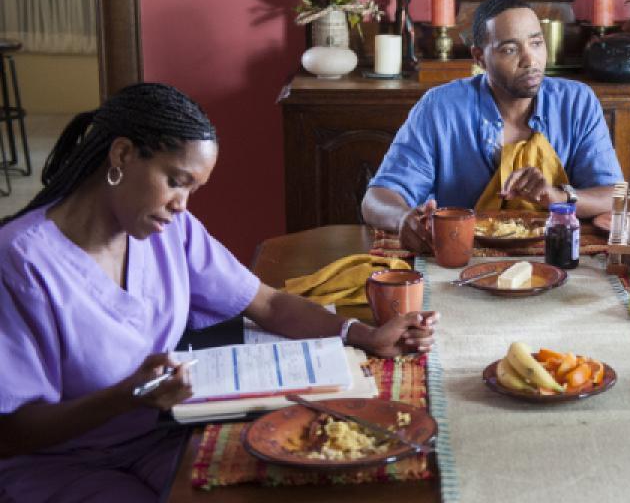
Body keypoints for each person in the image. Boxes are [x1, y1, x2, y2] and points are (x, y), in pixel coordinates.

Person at [0, 83, 438, 502]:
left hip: (162, 436)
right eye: (176, 180)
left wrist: (363, 334)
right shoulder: (20, 262)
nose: (183, 204)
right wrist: (129, 395)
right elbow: (11, 431)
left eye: (193, 189)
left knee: (290, 480)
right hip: (63, 464)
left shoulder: (169, 230)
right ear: (122, 154)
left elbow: (267, 303)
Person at [362, 0, 623, 248]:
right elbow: (376, 199)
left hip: (556, 254)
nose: (530, 60)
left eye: (536, 43)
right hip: (461, 256)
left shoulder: (576, 102)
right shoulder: (441, 107)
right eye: (510, 49)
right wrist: (403, 219)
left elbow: (614, 196)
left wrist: (557, 197)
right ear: (479, 58)